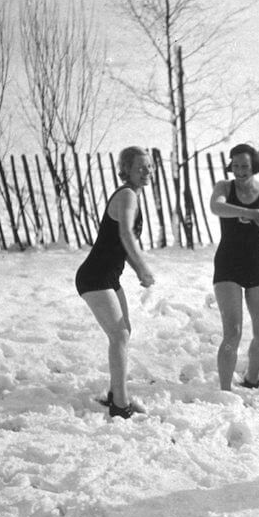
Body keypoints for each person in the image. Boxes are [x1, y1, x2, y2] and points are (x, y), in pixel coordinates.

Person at [75, 146, 155, 419]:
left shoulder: (133, 196)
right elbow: (126, 235)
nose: (146, 172)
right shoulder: (127, 196)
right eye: (140, 167)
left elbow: (122, 244)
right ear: (126, 171)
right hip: (95, 277)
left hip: (109, 277)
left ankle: (114, 393)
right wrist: (143, 267)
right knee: (119, 335)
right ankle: (120, 406)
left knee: (123, 332)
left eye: (149, 167)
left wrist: (136, 271)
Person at [210, 143, 259, 391]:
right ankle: (225, 391)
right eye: (236, 165)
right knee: (233, 333)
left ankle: (252, 379)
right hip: (228, 264)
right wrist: (249, 212)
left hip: (257, 263)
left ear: (254, 166)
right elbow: (216, 206)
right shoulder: (224, 187)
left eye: (245, 166)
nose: (240, 171)